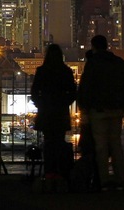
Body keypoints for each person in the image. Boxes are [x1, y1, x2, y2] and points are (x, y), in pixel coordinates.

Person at [77, 35, 124, 190]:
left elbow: (85, 88)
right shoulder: (120, 63)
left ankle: (104, 181)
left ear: (93, 47)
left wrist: (84, 109)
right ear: (107, 46)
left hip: (98, 111)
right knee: (116, 145)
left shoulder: (92, 64)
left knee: (101, 147)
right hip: (116, 110)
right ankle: (120, 180)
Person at [30, 44, 76, 181]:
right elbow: (73, 92)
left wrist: (40, 103)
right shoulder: (66, 71)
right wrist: (65, 102)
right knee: (60, 141)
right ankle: (60, 170)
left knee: (48, 142)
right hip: (60, 111)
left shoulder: (42, 71)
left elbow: (34, 91)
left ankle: (49, 171)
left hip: (46, 111)